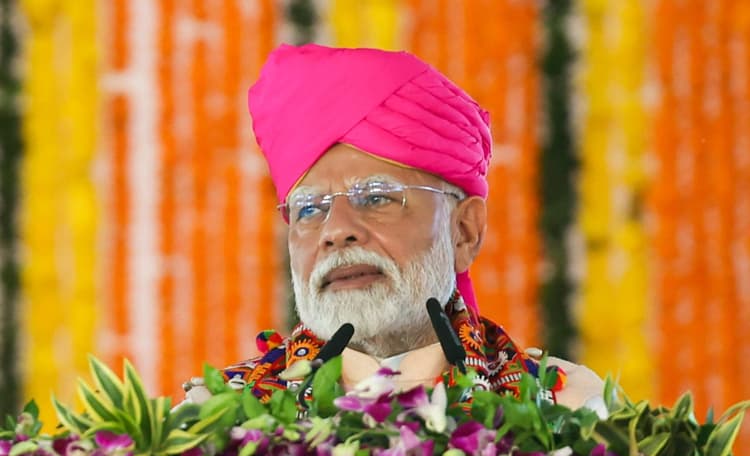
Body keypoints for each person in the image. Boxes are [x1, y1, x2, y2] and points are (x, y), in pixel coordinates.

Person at [182, 44, 604, 413]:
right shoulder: (212, 422)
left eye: (377, 197)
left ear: (464, 232)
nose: (336, 230)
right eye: (309, 209)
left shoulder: (569, 408)